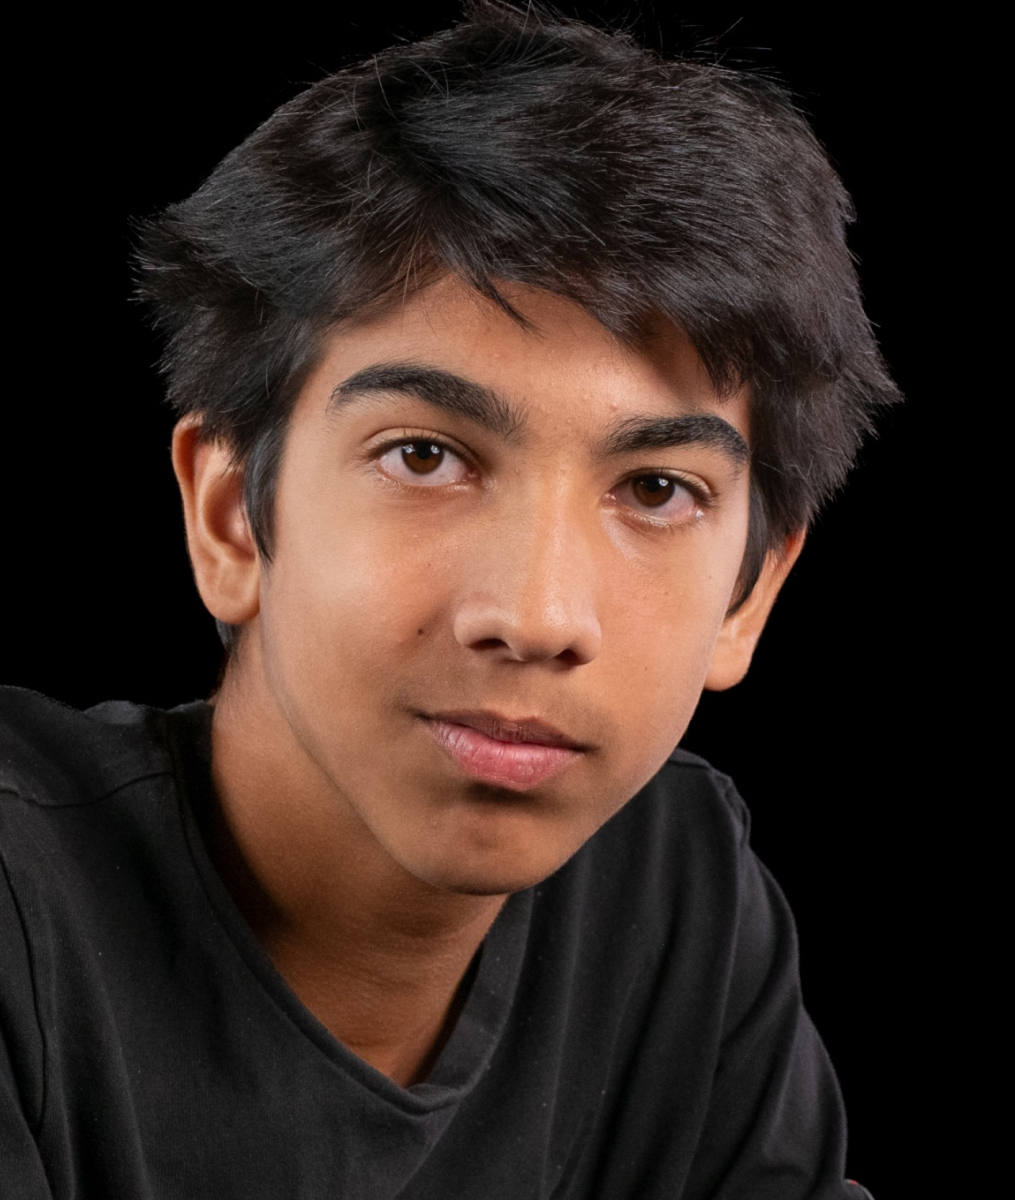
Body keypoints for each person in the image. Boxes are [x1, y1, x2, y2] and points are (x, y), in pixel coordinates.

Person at [0, 4, 895, 1196]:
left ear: (751, 593)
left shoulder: (671, 893)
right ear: (229, 517)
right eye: (424, 457)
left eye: (656, 489)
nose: (535, 615)